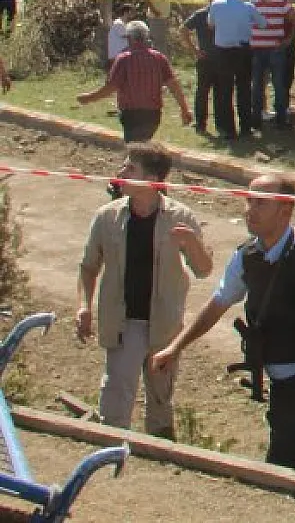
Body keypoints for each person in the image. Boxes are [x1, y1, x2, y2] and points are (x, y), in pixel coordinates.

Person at [150, 173, 295, 472]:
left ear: (285, 210)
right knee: (290, 454)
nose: (250, 210)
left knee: (286, 458)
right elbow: (218, 304)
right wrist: (175, 348)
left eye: (261, 203)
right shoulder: (248, 255)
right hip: (281, 377)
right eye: (249, 202)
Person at [76, 142, 213, 437]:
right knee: (116, 396)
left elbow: (204, 270)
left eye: (130, 168)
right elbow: (88, 267)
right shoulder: (107, 217)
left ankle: (160, 459)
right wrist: (83, 306)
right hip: (123, 324)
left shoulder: (181, 218)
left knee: (161, 401)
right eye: (124, 166)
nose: (121, 172)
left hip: (164, 327)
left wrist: (192, 243)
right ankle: (110, 454)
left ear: (152, 180)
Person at [77, 21, 191, 142]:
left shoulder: (123, 59)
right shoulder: (159, 58)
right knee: (143, 145)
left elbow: (111, 86)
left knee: (135, 149)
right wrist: (184, 109)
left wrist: (89, 97)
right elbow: (173, 85)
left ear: (130, 38)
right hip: (153, 114)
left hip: (131, 114)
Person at [207, 0, 263, 140]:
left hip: (223, 51)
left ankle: (228, 129)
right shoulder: (248, 7)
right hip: (243, 50)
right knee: (244, 89)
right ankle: (246, 127)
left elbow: (210, 25)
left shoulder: (216, 5)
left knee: (225, 90)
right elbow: (263, 23)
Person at [249, 0, 295, 128]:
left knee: (278, 84)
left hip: (276, 49)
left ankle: (281, 119)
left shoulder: (281, 1)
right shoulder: (252, 2)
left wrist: (288, 40)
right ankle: (256, 118)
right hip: (256, 49)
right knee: (257, 85)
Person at [179, 0, 218, 135]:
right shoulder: (201, 14)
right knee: (202, 91)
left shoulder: (225, 14)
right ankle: (200, 122)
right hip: (205, 58)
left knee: (222, 93)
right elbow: (183, 29)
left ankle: (222, 125)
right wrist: (194, 50)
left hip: (222, 58)